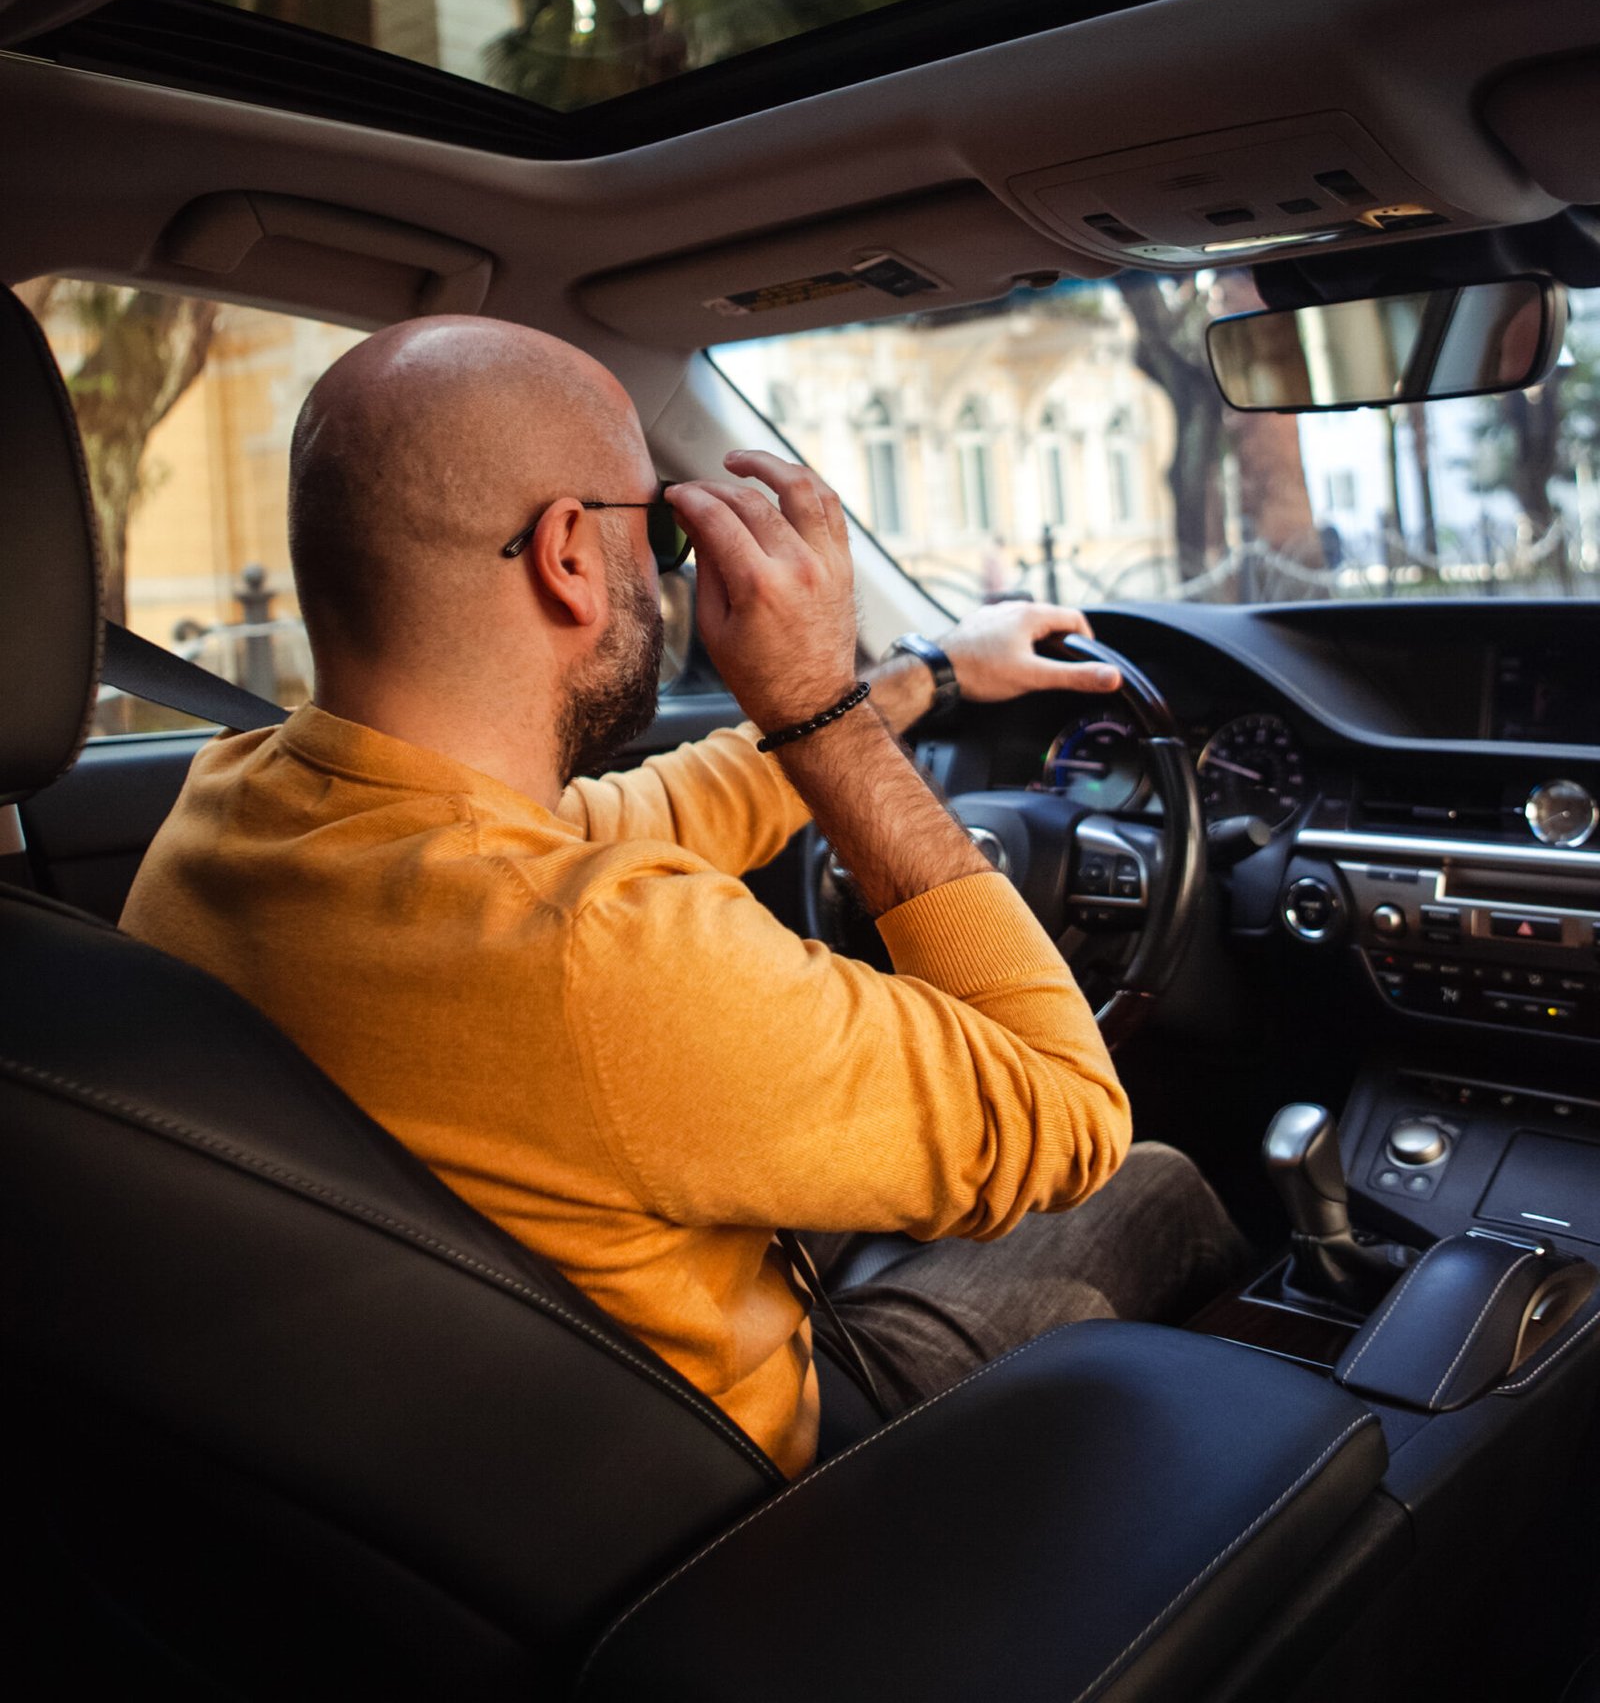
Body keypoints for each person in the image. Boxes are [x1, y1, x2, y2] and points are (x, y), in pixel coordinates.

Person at [122, 316, 1245, 1476]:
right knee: (1150, 1187)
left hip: (471, 1454)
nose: (671, 569)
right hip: (768, 1494)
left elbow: (653, 813)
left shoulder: (241, 807)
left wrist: (928, 675)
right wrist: (817, 714)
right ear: (567, 555)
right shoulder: (603, 953)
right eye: (662, 526)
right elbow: (1068, 1111)